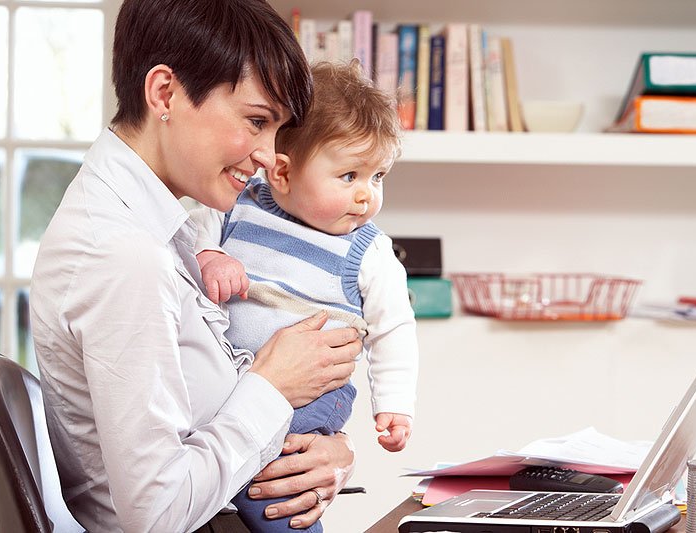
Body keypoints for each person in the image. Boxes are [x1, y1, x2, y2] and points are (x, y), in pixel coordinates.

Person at [28, 1, 362, 531]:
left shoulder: (154, 225)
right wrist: (273, 385)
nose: (268, 155)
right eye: (256, 120)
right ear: (165, 93)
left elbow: (209, 417)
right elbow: (157, 514)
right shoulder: (123, 256)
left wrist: (324, 452)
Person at [191, 61, 419, 532]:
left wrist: (393, 404)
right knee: (236, 449)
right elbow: (196, 221)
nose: (366, 197)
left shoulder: (368, 250)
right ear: (282, 173)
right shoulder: (240, 204)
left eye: (377, 177)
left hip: (315, 396)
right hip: (240, 382)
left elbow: (394, 327)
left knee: (278, 479)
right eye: (349, 175)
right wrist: (210, 254)